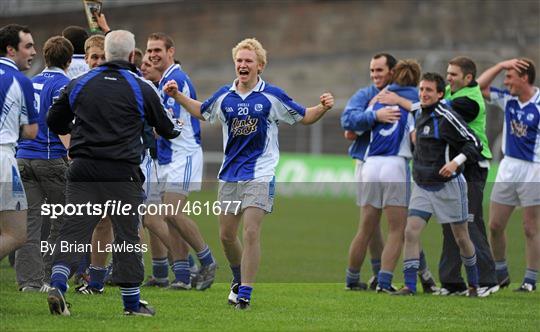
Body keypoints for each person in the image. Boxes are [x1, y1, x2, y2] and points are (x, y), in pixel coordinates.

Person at [164, 38, 334, 309]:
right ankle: (237, 278)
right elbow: (202, 112)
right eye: (239, 61)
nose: (243, 65)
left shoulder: (272, 96)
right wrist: (178, 97)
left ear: (260, 66)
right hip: (230, 174)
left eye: (248, 61)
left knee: (251, 232)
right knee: (226, 236)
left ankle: (245, 294)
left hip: (260, 174)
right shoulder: (224, 96)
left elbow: (304, 116)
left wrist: (323, 107)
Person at [46, 30, 181, 316]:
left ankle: (58, 283)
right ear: (132, 56)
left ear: (104, 55)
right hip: (123, 173)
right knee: (127, 235)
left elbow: (53, 120)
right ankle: (131, 304)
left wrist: (79, 133)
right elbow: (169, 129)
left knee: (74, 230)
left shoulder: (80, 83)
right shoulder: (142, 87)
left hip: (83, 168)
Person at [342, 54, 437, 292]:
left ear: (393, 73)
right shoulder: (416, 99)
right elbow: (425, 124)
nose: (375, 75)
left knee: (365, 228)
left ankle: (352, 279)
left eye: (379, 70)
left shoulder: (375, 99)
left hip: (370, 164)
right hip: (395, 165)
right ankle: (384, 282)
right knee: (398, 230)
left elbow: (351, 129)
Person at [394, 72, 482, 296]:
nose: (423, 94)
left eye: (429, 90)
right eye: (421, 89)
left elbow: (475, 143)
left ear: (441, 94)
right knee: (411, 232)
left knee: (461, 237)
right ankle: (409, 286)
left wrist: (455, 162)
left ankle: (474, 284)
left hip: (449, 185)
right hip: (422, 185)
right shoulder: (418, 111)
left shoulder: (446, 116)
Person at [146, 32, 217, 290]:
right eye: (150, 50)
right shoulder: (162, 80)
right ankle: (183, 276)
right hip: (166, 156)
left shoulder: (176, 79)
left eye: (158, 50)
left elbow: (174, 123)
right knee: (167, 217)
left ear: (171, 52)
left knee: (171, 212)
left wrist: (147, 128)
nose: (153, 55)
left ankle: (207, 260)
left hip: (183, 154)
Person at [436, 56, 499, 296]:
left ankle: (488, 280)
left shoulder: (470, 101)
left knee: (470, 222)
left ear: (468, 78)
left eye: (453, 74)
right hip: (457, 164)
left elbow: (438, 109)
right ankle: (452, 283)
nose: (448, 78)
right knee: (452, 224)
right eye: (448, 73)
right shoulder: (456, 91)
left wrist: (402, 100)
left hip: (473, 164)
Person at [14, 36, 72, 293]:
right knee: (66, 218)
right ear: (69, 61)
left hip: (23, 157)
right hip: (50, 158)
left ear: (45, 58)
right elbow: (59, 121)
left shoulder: (31, 81)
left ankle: (29, 282)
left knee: (30, 222)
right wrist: (73, 153)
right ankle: (50, 275)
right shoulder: (64, 84)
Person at [477, 58, 540, 292]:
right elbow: (478, 87)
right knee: (494, 225)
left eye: (510, 77)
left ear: (524, 78)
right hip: (508, 167)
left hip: (533, 170)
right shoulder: (509, 100)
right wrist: (501, 65)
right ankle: (501, 272)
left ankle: (530, 280)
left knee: (530, 227)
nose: (505, 81)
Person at [0, 24, 38, 259]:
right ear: (11, 50)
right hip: (3, 158)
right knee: (16, 234)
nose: (34, 52)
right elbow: (32, 132)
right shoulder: (20, 80)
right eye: (29, 46)